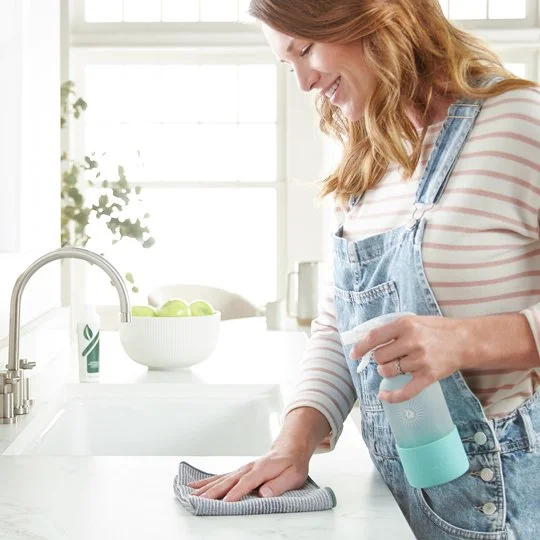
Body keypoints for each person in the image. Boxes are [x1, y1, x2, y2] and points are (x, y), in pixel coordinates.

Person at [188, 1, 540, 537]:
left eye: (306, 50)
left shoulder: (518, 122)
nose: (304, 82)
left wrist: (465, 341)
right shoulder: (368, 153)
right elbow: (340, 326)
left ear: (375, 16)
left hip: (512, 503)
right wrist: (296, 438)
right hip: (407, 501)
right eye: (289, 66)